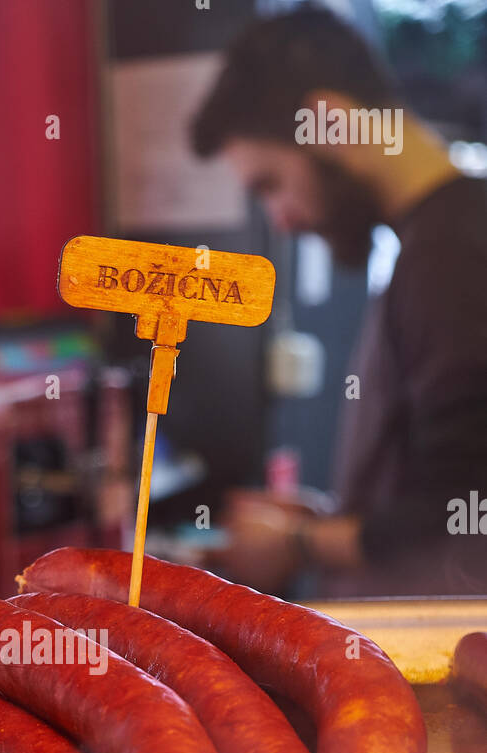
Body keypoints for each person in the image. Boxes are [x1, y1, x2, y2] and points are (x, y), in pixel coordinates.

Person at [192, 2, 487, 596]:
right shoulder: (435, 240)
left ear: (330, 123)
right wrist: (328, 519)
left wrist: (297, 544)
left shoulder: (454, 254)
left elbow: (461, 507)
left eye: (271, 185)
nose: (282, 220)